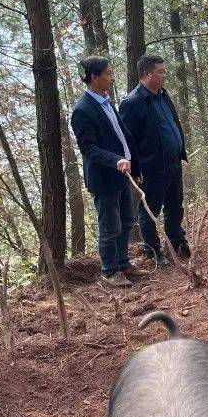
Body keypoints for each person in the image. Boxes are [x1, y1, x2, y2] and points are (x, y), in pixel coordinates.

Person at [69, 56, 147, 288]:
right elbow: (89, 149)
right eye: (109, 74)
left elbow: (122, 136)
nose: (112, 78)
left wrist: (135, 167)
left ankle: (123, 264)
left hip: (122, 174)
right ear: (94, 77)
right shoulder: (82, 110)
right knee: (110, 227)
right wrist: (116, 160)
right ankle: (110, 272)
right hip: (104, 178)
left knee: (126, 221)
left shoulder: (106, 101)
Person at [119, 54, 190, 265]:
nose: (164, 75)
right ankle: (153, 251)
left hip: (173, 162)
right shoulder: (132, 102)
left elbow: (172, 123)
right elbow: (127, 140)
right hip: (152, 168)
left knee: (175, 205)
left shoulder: (163, 95)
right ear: (147, 73)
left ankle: (177, 241)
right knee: (150, 210)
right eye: (160, 71)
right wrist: (136, 169)